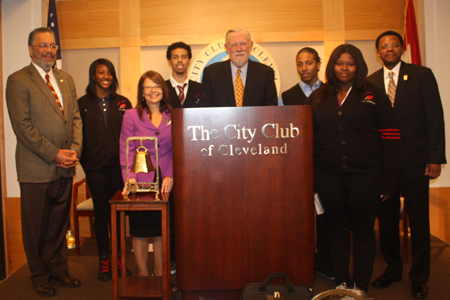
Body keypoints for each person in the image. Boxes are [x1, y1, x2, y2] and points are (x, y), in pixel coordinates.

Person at [307, 44, 400, 299]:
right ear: (332, 66)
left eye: (350, 63)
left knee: (363, 231)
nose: (344, 68)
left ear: (358, 66)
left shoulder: (373, 94)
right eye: (339, 63)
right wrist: (311, 179)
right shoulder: (318, 97)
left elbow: (391, 137)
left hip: (367, 177)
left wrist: (389, 181)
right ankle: (343, 284)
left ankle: (360, 287)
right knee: (336, 229)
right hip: (328, 176)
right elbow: (307, 140)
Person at [368, 31, 446, 299]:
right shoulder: (370, 82)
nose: (389, 49)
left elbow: (435, 116)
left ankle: (420, 276)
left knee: (419, 221)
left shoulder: (422, 75)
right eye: (384, 46)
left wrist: (435, 156)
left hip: (416, 163)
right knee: (387, 220)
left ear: (401, 48)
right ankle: (392, 269)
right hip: (383, 167)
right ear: (377, 52)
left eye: (393, 45)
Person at [5, 27, 82, 297]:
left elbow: (74, 120)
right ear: (31, 50)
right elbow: (23, 128)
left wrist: (73, 151)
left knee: (59, 225)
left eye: (52, 45)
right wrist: (55, 154)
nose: (48, 50)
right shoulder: (18, 80)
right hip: (36, 169)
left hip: (65, 168)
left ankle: (59, 270)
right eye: (42, 45)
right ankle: (39, 275)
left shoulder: (66, 79)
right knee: (36, 227)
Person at [78, 58, 132, 281]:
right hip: (95, 169)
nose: (106, 76)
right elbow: (77, 136)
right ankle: (104, 262)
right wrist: (86, 162)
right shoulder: (82, 103)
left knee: (118, 214)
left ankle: (120, 260)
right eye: (101, 73)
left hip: (119, 169)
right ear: (93, 76)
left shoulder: (123, 102)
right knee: (101, 214)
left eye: (110, 73)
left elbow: (131, 134)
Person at [120, 70, 174, 281]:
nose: (153, 91)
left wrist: (171, 175)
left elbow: (178, 149)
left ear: (163, 90)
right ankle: (144, 277)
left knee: (161, 230)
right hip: (140, 180)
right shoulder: (131, 115)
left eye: (157, 86)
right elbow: (126, 149)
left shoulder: (172, 115)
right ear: (142, 92)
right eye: (148, 87)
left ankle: (159, 276)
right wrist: (129, 177)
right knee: (141, 230)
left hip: (165, 181)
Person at [200, 28, 277, 107]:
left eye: (243, 44)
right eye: (233, 45)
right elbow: (205, 110)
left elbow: (272, 111)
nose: (239, 49)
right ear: (226, 47)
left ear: (251, 45)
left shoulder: (265, 73)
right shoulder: (211, 73)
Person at [166, 41, 202, 108]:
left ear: (189, 61)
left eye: (184, 57)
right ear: (169, 61)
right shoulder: (161, 88)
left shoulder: (201, 89)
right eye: (175, 57)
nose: (180, 60)